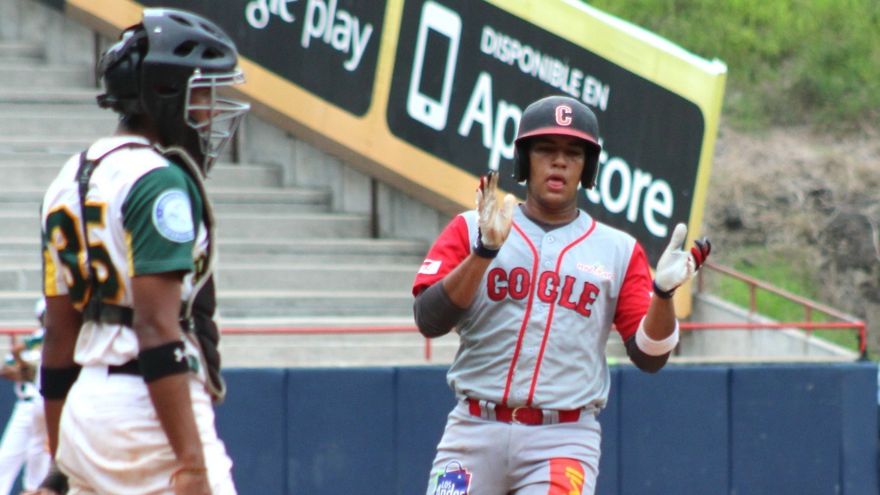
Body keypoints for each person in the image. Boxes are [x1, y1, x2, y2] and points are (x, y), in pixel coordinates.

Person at [413, 94, 711, 495]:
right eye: (546, 149)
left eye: (574, 152)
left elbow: (650, 357)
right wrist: (483, 252)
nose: (559, 162)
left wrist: (663, 295)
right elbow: (428, 320)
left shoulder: (618, 250)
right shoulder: (471, 228)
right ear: (524, 159)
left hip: (563, 439)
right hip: (473, 428)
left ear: (588, 166)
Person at [35, 7, 249, 495]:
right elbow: (154, 328)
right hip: (148, 411)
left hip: (86, 409)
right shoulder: (158, 181)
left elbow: (59, 337)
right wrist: (191, 465)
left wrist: (59, 465)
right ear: (165, 92)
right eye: (201, 94)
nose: (210, 111)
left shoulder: (66, 179)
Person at [0, 299, 50, 494]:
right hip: (26, 403)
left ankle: (35, 489)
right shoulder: (36, 339)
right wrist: (25, 369)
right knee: (8, 455)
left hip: (48, 403)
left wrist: (30, 370)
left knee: (40, 455)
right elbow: (7, 368)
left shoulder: (62, 337)